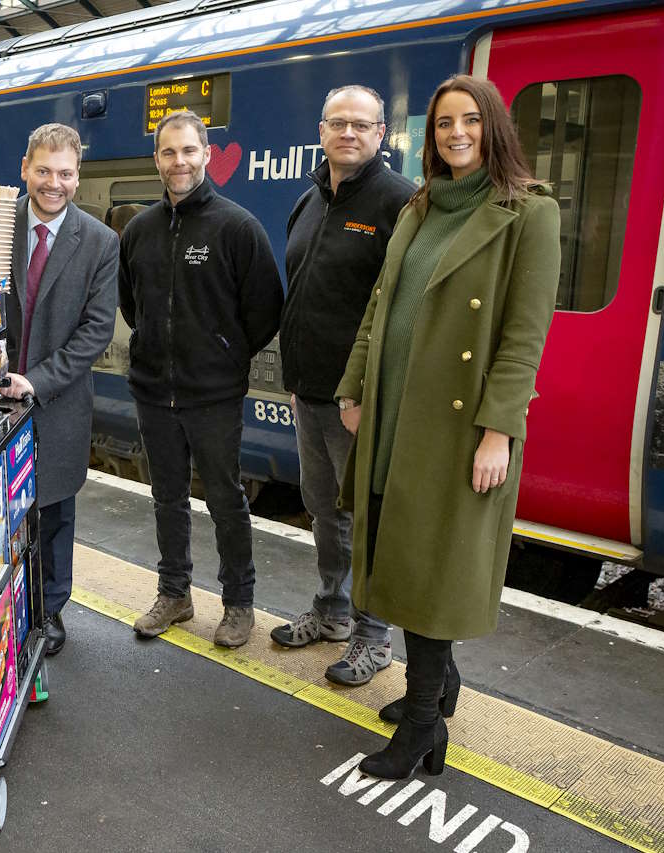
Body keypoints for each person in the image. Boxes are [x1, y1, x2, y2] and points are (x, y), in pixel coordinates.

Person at [333, 75, 559, 779]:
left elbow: (525, 335)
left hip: (458, 429)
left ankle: (425, 727)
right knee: (399, 555)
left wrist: (500, 429)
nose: (455, 133)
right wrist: (353, 384)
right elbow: (380, 305)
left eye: (468, 121)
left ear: (493, 127)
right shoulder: (422, 205)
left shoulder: (528, 213)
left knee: (426, 570)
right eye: (442, 124)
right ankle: (441, 687)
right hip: (395, 413)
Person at [119, 110, 283, 649]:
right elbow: (132, 303)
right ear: (157, 160)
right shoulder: (139, 230)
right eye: (169, 153)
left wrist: (222, 355)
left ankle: (238, 603)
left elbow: (264, 310)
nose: (179, 162)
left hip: (213, 395)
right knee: (166, 495)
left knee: (225, 498)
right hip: (153, 391)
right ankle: (175, 593)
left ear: (207, 155)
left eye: (189, 151)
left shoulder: (236, 227)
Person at [272, 85, 415, 687]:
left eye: (362, 124)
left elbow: (403, 310)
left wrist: (363, 392)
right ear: (322, 130)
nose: (349, 133)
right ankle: (331, 611)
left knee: (366, 515)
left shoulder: (400, 203)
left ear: (382, 134)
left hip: (360, 400)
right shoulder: (309, 202)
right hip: (309, 390)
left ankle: (373, 636)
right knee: (323, 508)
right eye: (338, 123)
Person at [0, 123, 118, 657]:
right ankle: (1, 604)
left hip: (57, 401)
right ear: (24, 167)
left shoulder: (99, 241)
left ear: (78, 175)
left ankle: (49, 611)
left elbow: (96, 330)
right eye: (43, 171)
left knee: (53, 515)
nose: (54, 183)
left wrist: (38, 380)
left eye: (65, 173)